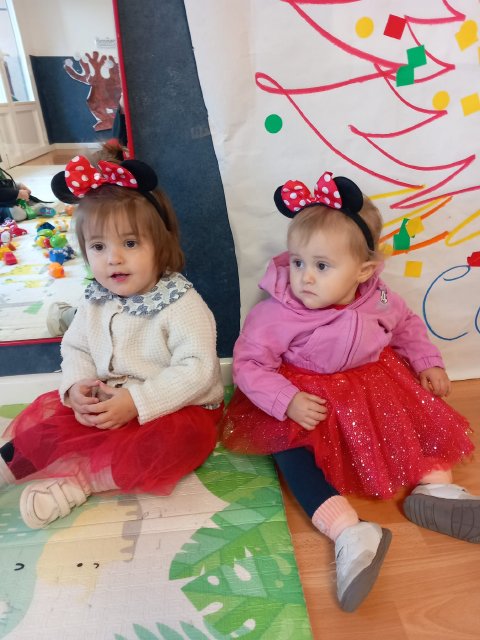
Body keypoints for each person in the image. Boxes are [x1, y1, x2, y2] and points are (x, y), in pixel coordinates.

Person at [219, 171, 477, 613]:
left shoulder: (380, 299)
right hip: (308, 400)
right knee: (289, 451)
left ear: (364, 271)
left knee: (412, 419)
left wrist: (427, 361)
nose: (304, 278)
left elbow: (407, 327)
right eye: (297, 262)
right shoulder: (277, 312)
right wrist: (286, 400)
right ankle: (348, 530)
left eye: (321, 266)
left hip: (374, 388)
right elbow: (248, 363)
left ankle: (436, 490)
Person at [0, 154, 224, 531]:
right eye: (98, 247)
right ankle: (8, 466)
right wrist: (77, 387)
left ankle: (81, 481)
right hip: (110, 398)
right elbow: (77, 347)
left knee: (178, 443)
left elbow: (198, 370)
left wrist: (137, 402)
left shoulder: (180, 303)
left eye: (130, 243)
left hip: (176, 408)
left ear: (161, 245)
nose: (113, 259)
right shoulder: (95, 299)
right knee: (50, 424)